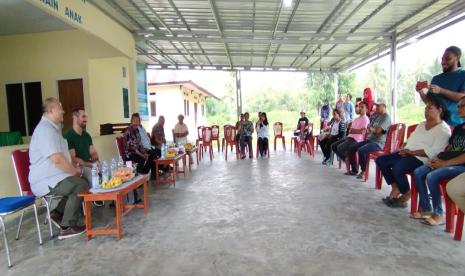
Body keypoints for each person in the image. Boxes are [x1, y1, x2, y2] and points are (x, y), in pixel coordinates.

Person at [376, 94, 451, 209]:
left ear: (439, 110)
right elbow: (410, 140)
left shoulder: (443, 130)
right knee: (381, 160)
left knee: (397, 168)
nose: (425, 110)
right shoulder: (421, 125)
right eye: (425, 108)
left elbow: (433, 152)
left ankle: (406, 194)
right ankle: (395, 187)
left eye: (429, 108)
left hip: (421, 159)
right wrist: (404, 146)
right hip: (407, 153)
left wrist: (410, 153)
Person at [29, 97, 87, 239]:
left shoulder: (54, 129)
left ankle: (57, 213)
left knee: (82, 180)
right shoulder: (44, 130)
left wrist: (74, 167)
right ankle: (67, 227)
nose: (63, 111)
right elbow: (57, 159)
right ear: (50, 111)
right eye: (60, 108)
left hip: (56, 176)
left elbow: (63, 157)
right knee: (80, 184)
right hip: (45, 179)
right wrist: (74, 172)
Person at [412, 96, 465, 224]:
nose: (458, 108)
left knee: (432, 176)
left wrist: (444, 164)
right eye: (458, 106)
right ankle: (426, 209)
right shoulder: (459, 128)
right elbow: (451, 149)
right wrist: (438, 159)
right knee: (419, 172)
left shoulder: (444, 127)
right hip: (448, 161)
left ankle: (439, 213)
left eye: (462, 106)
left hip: (461, 166)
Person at [63, 108, 103, 207]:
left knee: (106, 169)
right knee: (91, 173)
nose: (86, 119)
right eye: (83, 117)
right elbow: (74, 159)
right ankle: (95, 197)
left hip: (88, 164)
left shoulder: (87, 135)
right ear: (75, 118)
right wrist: (91, 164)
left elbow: (93, 152)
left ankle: (110, 197)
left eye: (86, 117)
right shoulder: (68, 136)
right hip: (76, 167)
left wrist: (97, 160)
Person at [416, 46, 465, 127]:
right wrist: (420, 92)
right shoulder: (436, 78)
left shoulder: (463, 75)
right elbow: (429, 102)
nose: (443, 62)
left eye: (448, 58)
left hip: (456, 124)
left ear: (457, 58)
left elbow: (463, 97)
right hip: (435, 123)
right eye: (442, 59)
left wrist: (441, 91)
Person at [347, 103, 391, 178]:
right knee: (352, 148)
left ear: (384, 106)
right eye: (376, 105)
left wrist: (373, 130)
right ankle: (354, 170)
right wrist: (374, 130)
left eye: (378, 105)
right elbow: (369, 128)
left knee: (361, 150)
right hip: (370, 139)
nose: (376, 107)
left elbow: (378, 132)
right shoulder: (376, 116)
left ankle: (364, 171)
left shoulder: (386, 117)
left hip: (378, 143)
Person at [331, 102, 370, 168]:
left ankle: (353, 165)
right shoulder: (356, 119)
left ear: (367, 110)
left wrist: (353, 130)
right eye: (359, 107)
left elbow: (362, 131)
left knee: (340, 147)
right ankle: (346, 159)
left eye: (362, 107)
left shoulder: (366, 119)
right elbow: (350, 130)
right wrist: (353, 130)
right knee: (333, 146)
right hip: (349, 137)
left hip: (357, 139)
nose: (360, 108)